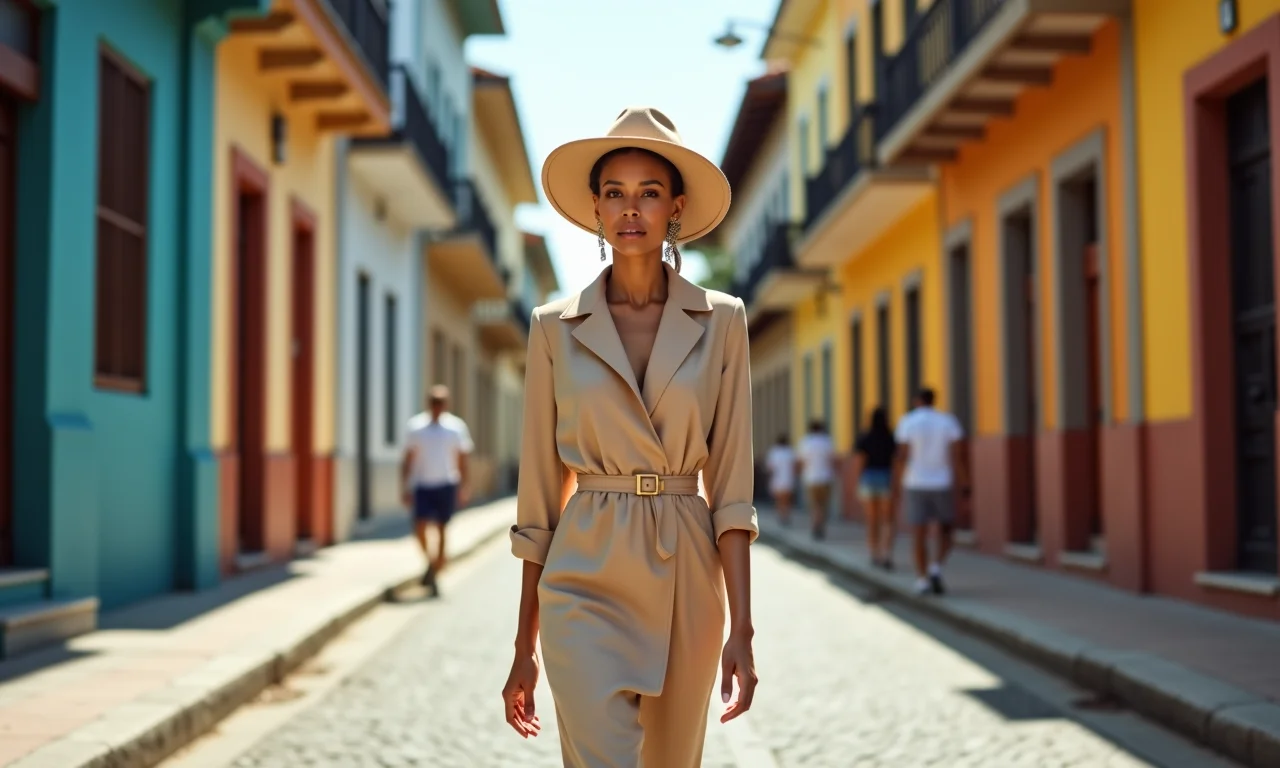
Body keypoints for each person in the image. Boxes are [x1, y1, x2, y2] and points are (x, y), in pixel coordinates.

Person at [501, 106, 758, 767]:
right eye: (614, 193)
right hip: (583, 572)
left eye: (649, 193)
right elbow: (537, 496)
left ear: (675, 207)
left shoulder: (723, 321)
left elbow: (731, 489)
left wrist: (743, 629)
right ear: (594, 207)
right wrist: (521, 647)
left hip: (686, 575)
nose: (630, 209)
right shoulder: (553, 327)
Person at [892, 387, 969, 595]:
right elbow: (958, 455)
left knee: (919, 533)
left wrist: (897, 484)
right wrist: (964, 482)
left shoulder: (907, 422)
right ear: (934, 400)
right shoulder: (947, 421)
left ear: (916, 401)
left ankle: (922, 578)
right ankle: (936, 566)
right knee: (947, 531)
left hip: (915, 483)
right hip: (941, 482)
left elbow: (902, 455)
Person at [400, 385, 472, 597]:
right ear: (428, 403)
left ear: (446, 404)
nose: (437, 406)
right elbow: (407, 459)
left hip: (446, 484)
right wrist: (404, 486)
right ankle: (432, 564)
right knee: (419, 527)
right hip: (423, 484)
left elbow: (462, 458)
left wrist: (464, 486)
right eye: (434, 401)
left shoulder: (456, 427)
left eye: (441, 402)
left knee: (441, 529)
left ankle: (435, 572)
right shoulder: (416, 427)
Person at [854, 406, 897, 569]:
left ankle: (874, 552)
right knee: (888, 520)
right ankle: (887, 553)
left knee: (872, 520)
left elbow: (860, 461)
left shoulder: (865, 438)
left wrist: (859, 481)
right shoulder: (890, 437)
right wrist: (896, 483)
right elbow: (895, 462)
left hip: (869, 478)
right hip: (886, 478)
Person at [796, 419, 837, 540]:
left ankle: (815, 525)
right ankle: (821, 526)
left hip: (811, 478)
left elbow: (801, 461)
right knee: (824, 504)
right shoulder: (827, 441)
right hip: (825, 477)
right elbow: (832, 460)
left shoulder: (805, 442)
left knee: (814, 505)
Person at [764, 434, 797, 525]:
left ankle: (781, 515)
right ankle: (786, 515)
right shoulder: (790, 452)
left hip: (777, 480)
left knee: (779, 501)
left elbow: (770, 468)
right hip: (788, 480)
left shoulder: (774, 452)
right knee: (787, 501)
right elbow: (795, 467)